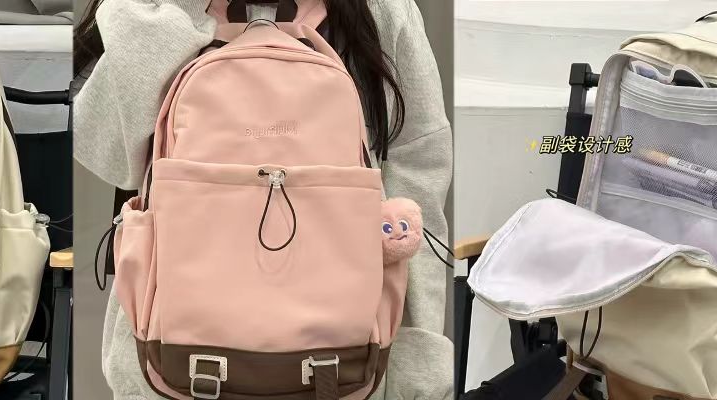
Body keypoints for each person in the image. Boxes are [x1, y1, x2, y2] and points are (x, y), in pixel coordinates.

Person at [73, 0, 453, 398]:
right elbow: (106, 153)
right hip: (166, 354)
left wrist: (418, 356)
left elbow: (418, 182)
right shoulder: (156, 8)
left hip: (345, 360)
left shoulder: (382, 10)